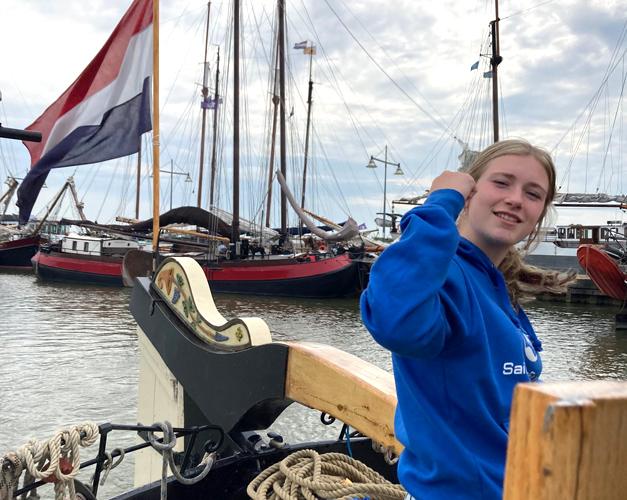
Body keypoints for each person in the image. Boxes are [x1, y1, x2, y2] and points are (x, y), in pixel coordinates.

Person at [360, 139, 574, 499]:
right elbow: (394, 320)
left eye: (533, 194)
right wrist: (441, 204)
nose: (516, 199)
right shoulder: (446, 276)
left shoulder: (496, 288)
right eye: (501, 183)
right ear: (469, 192)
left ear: (540, 212)